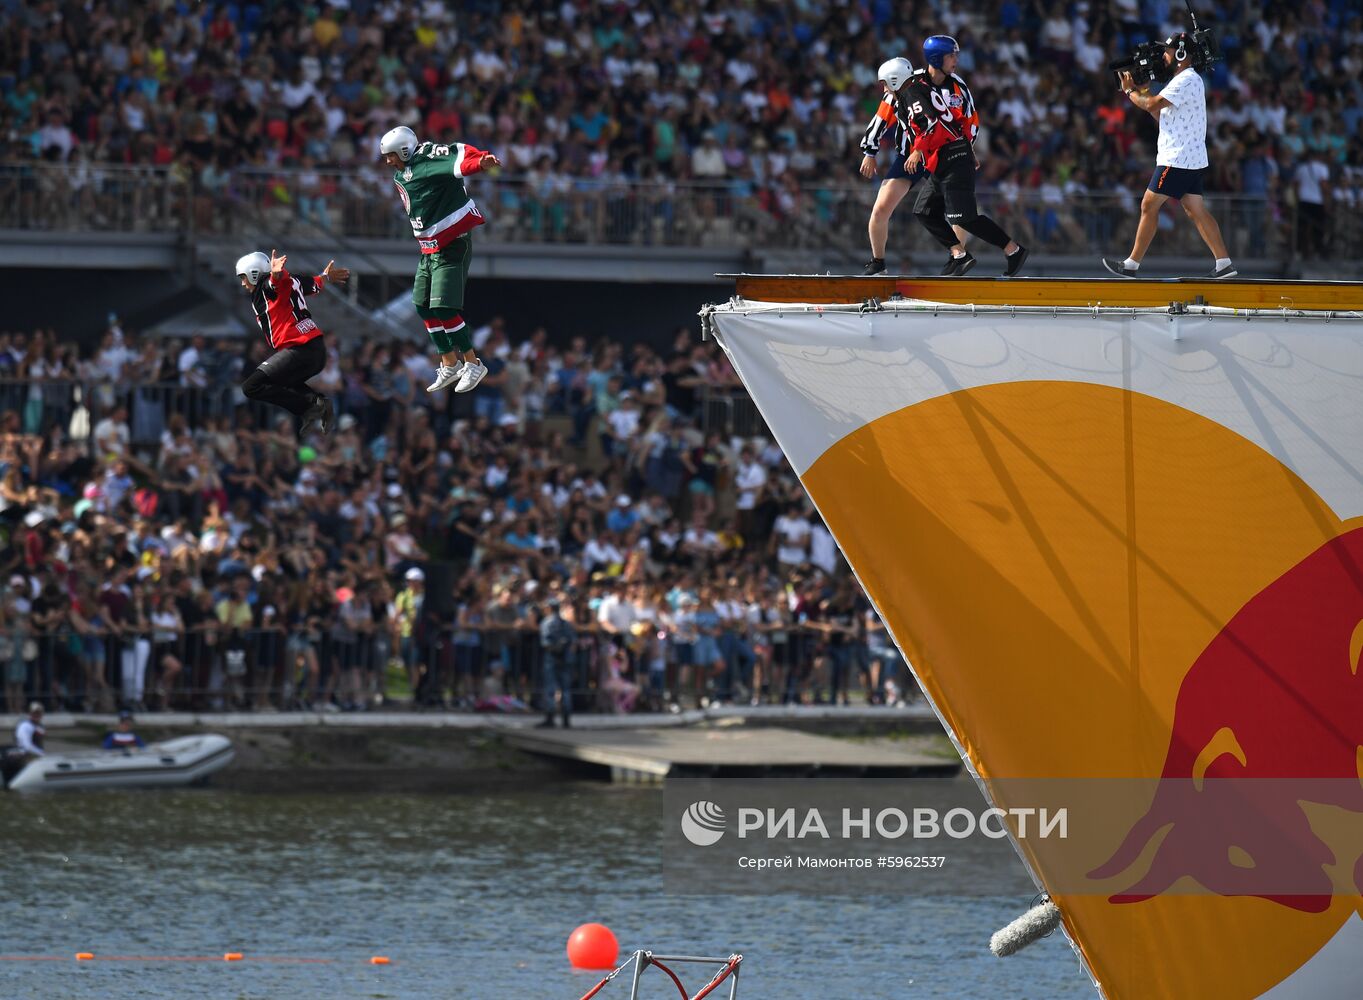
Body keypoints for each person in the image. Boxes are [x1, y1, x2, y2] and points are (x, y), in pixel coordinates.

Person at [1102, 33, 1235, 279]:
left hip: (1177, 158)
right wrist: (1141, 92)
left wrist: (1130, 92)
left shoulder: (1186, 79)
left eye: (1167, 51)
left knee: (1148, 205)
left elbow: (1151, 105)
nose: (1163, 56)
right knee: (1195, 209)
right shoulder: (1184, 81)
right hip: (1189, 158)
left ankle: (1131, 265)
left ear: (1181, 54)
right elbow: (1160, 114)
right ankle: (1224, 263)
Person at [379, 125, 501, 395]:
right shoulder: (404, 171)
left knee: (444, 308)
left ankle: (473, 362)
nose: (388, 161)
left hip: (452, 243)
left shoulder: (429, 157)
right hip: (429, 248)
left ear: (405, 149)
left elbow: (457, 155)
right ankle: (449, 361)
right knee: (422, 305)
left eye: (391, 155)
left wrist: (480, 162)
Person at [900, 35, 1028, 277]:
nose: (956, 59)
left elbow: (970, 121)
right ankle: (958, 253)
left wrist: (968, 148)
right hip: (940, 161)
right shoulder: (916, 85)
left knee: (965, 218)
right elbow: (921, 122)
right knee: (924, 210)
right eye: (952, 55)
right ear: (936, 58)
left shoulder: (958, 85)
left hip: (954, 157)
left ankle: (1013, 250)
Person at [858, 56, 968, 275]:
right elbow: (880, 120)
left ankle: (958, 257)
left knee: (957, 210)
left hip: (936, 155)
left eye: (885, 84)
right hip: (909, 156)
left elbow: (955, 123)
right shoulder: (895, 96)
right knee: (880, 208)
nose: (884, 90)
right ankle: (877, 262)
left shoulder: (943, 90)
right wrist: (870, 151)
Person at [236, 248, 349, 435]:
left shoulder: (266, 288)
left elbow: (273, 284)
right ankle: (317, 402)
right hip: (317, 351)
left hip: (299, 350)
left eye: (243, 277)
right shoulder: (293, 281)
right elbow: (314, 283)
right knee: (280, 381)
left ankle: (308, 408)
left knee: (250, 387)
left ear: (254, 273)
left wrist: (275, 274)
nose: (242, 283)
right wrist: (326, 277)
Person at [537, 597, 576, 728]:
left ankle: (550, 718)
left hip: (552, 659)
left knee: (550, 689)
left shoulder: (547, 623)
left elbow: (546, 643)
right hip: (565, 659)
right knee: (565, 689)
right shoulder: (566, 623)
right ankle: (566, 720)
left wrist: (556, 649)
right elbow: (571, 641)